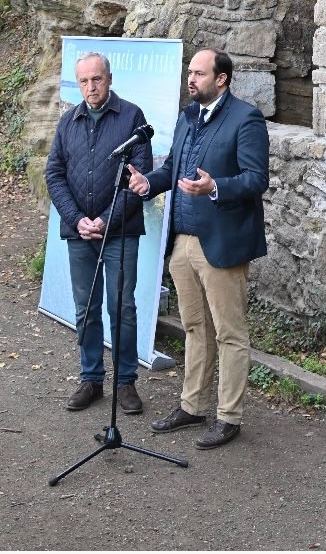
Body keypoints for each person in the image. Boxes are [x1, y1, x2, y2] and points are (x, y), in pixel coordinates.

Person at [127, 48, 269, 449]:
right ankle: (192, 405)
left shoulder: (246, 118)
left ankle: (229, 416)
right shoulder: (188, 116)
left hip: (222, 242)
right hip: (184, 241)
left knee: (229, 333)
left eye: (199, 73)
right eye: (189, 72)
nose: (190, 79)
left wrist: (216, 187)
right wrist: (148, 183)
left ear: (221, 79)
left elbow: (257, 179)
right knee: (195, 328)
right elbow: (173, 167)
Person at [46, 52, 153, 414]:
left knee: (121, 307)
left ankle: (125, 383)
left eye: (97, 79)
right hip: (79, 234)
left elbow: (139, 177)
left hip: (119, 234)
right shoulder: (68, 122)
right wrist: (77, 219)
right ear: (79, 84)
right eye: (84, 81)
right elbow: (54, 175)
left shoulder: (131, 117)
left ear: (109, 79)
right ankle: (91, 378)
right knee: (85, 309)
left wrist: (107, 219)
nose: (91, 88)